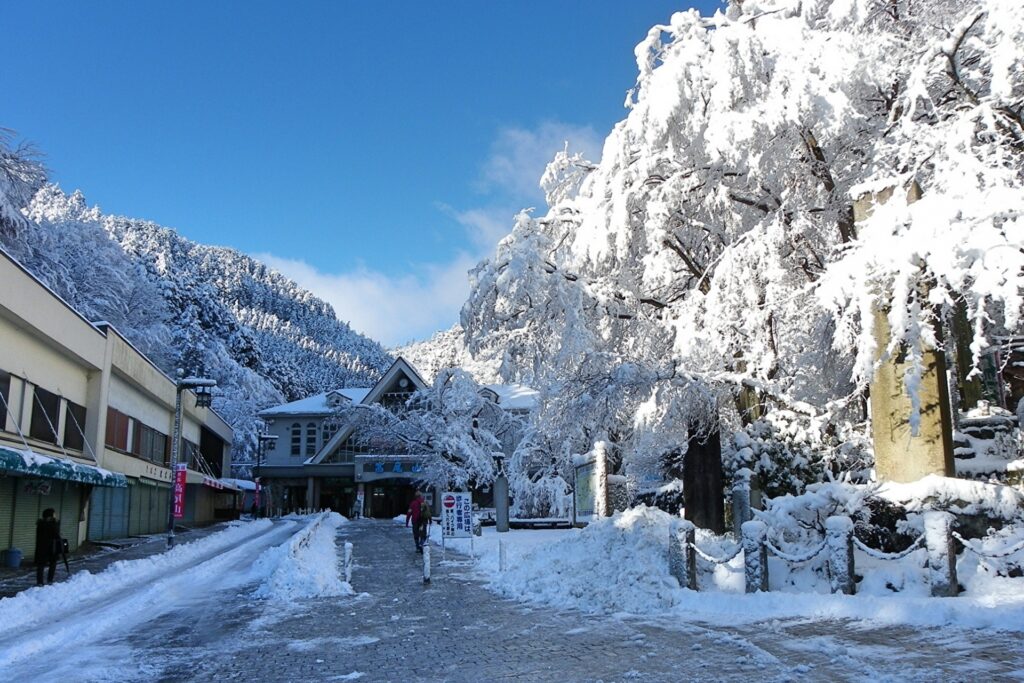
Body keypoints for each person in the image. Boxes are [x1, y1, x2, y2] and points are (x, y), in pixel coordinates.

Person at [34, 508, 62, 586]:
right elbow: (56, 535)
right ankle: (50, 580)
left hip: (41, 547)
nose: (55, 515)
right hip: (51, 547)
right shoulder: (52, 525)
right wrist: (56, 523)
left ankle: (40, 582)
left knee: (41, 565)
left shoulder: (40, 524)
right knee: (53, 564)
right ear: (51, 516)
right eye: (54, 514)